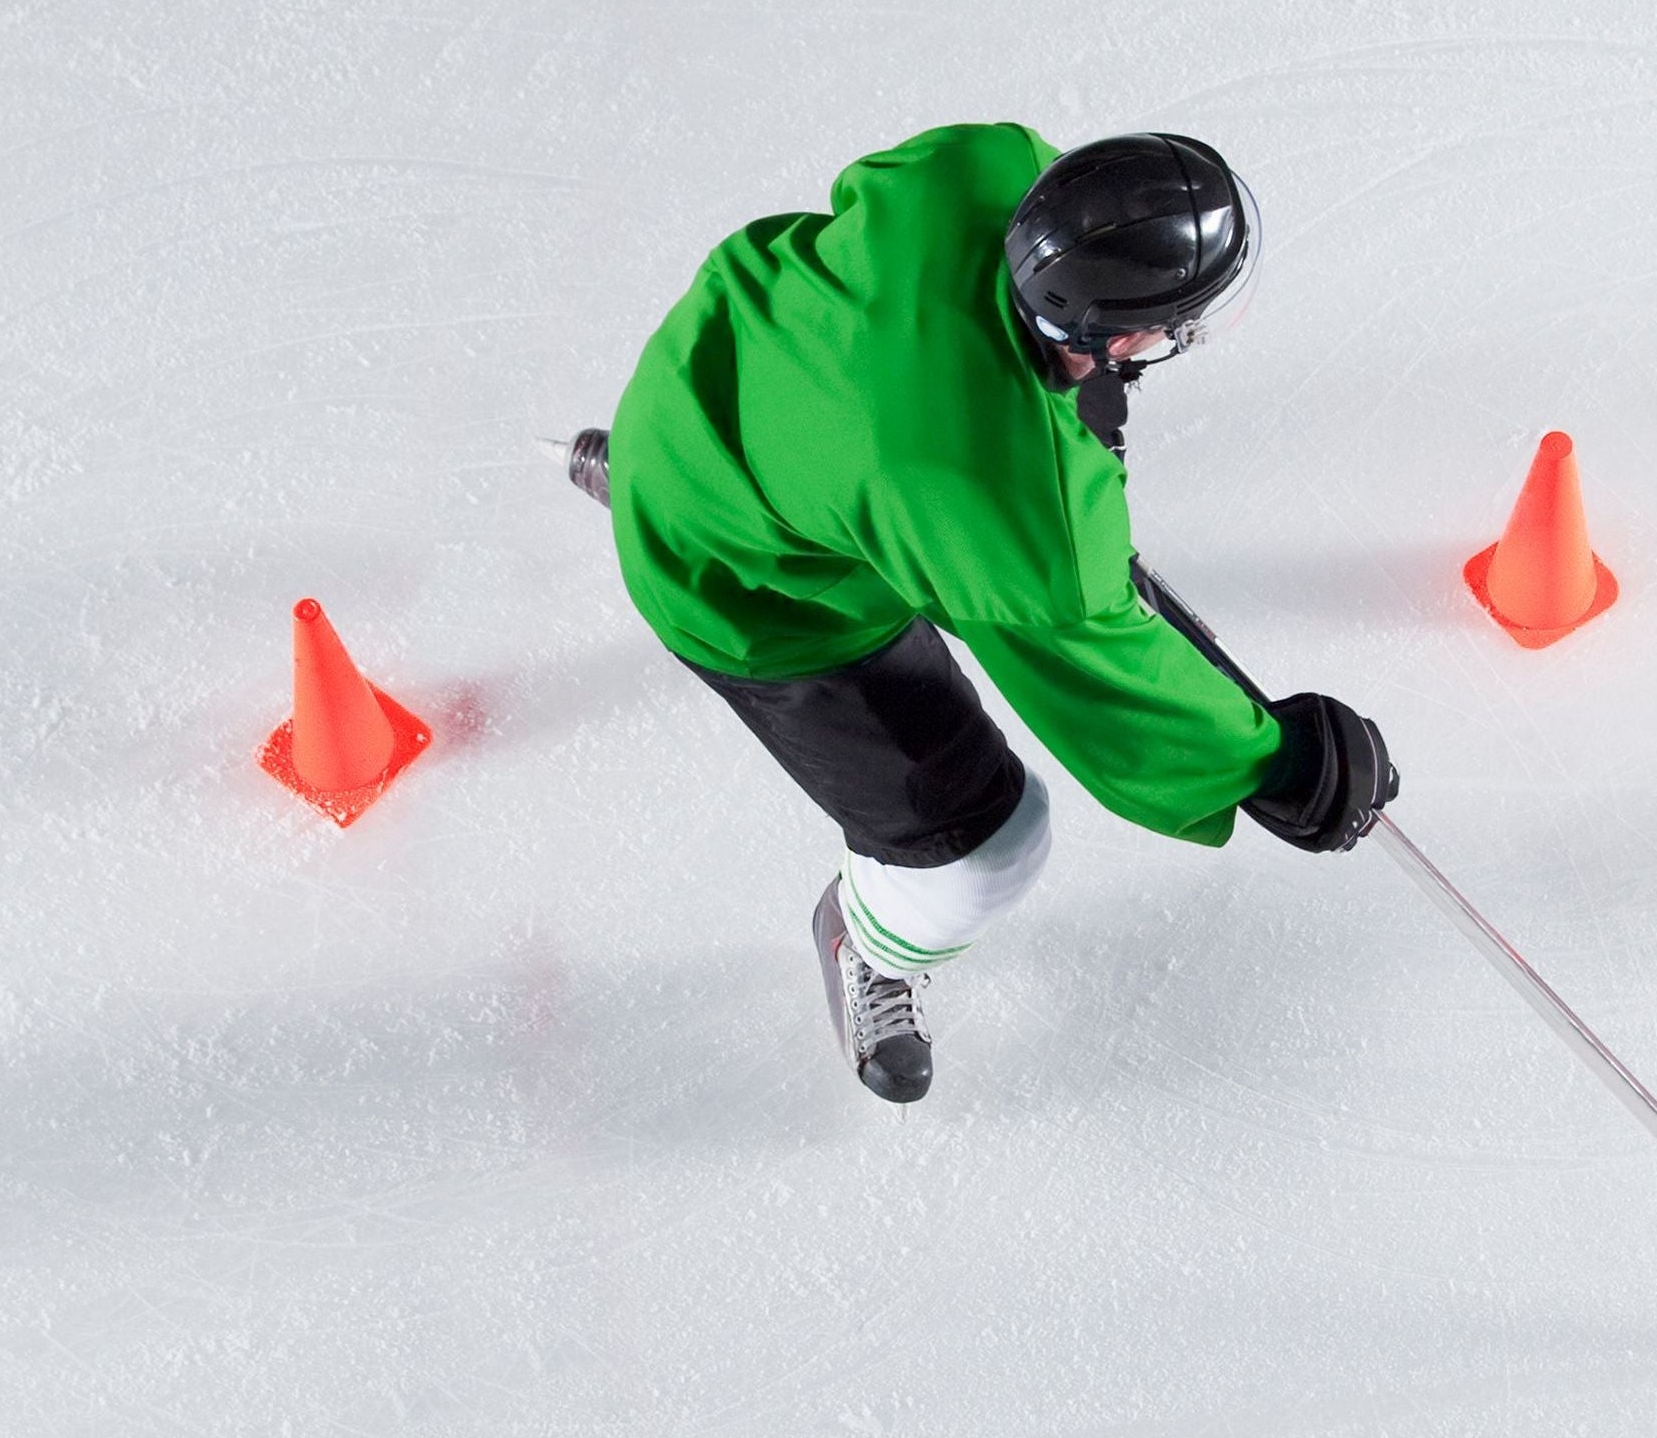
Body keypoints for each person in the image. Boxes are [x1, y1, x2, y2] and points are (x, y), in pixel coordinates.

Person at [576, 124, 1401, 1101]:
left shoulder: (981, 167)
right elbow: (1109, 690)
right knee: (985, 845)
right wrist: (1277, 763)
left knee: (857, 478)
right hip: (743, 584)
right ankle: (870, 942)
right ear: (1120, 336)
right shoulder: (1007, 518)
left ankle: (656, 472)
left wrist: (1069, 399)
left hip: (700, 385)